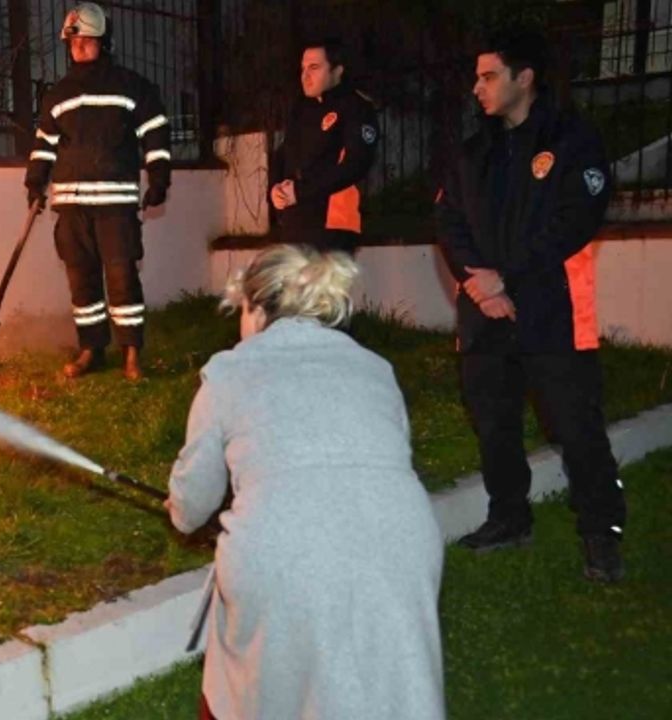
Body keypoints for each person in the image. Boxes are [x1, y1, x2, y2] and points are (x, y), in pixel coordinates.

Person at [166, 245, 444, 720]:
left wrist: (182, 505)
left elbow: (191, 507)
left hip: (282, 552)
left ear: (254, 309)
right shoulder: (376, 369)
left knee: (248, 681)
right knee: (384, 678)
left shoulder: (229, 372)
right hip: (403, 543)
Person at [435, 28, 625, 582]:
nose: (477, 88)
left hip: (552, 311)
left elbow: (575, 223)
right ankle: (508, 518)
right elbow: (448, 220)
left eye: (489, 75)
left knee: (575, 425)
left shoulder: (573, 141)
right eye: (476, 77)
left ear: (525, 78)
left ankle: (602, 532)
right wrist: (476, 283)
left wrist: (506, 280)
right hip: (485, 313)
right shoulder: (476, 152)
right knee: (494, 423)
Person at [24, 2, 172, 381]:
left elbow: (154, 130)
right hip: (72, 209)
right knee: (82, 281)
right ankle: (92, 349)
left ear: (104, 41)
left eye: (87, 41)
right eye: (73, 42)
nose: (79, 48)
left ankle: (131, 353)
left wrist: (159, 178)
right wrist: (34, 181)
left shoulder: (131, 87)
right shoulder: (58, 94)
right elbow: (44, 142)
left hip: (114, 208)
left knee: (122, 278)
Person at [269, 38, 379, 253]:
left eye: (314, 67)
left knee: (323, 286)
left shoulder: (355, 107)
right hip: (295, 221)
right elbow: (283, 154)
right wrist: (274, 190)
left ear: (337, 71)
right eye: (302, 68)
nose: (305, 76)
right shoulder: (301, 108)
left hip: (332, 225)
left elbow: (355, 165)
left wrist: (301, 191)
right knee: (291, 286)